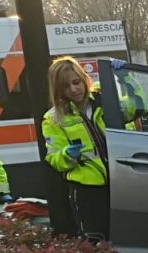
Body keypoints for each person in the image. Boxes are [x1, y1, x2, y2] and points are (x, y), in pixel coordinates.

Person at [43, 56, 110, 240]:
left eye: (76, 82)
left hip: (120, 181)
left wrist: (126, 79)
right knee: (97, 243)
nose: (73, 89)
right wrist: (68, 155)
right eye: (66, 86)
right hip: (87, 191)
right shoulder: (54, 119)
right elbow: (54, 158)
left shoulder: (105, 100)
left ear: (84, 78)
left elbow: (135, 109)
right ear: (58, 89)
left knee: (129, 237)